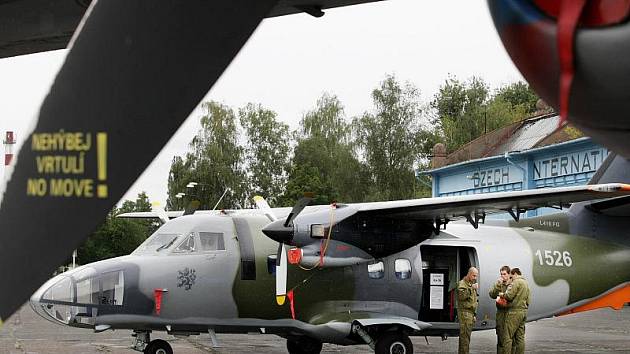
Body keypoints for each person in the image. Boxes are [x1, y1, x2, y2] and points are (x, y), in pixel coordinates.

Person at [501, 267, 531, 354]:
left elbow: (509, 296)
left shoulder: (516, 282)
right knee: (520, 338)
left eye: (511, 276)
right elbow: (528, 300)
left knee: (508, 337)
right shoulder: (526, 283)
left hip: (514, 312)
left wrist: (502, 295)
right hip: (523, 312)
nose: (511, 278)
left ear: (515, 274)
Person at [489, 265, 511, 353]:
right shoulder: (499, 284)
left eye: (505, 274)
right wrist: (497, 285)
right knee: (501, 338)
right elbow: (492, 294)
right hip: (501, 314)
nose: (503, 276)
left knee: (509, 339)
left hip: (510, 313)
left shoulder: (513, 284)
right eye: (501, 274)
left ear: (509, 274)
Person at [457, 267, 479, 354]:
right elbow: (461, 296)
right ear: (469, 274)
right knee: (465, 338)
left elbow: (473, 300)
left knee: (466, 337)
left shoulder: (470, 283)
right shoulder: (463, 283)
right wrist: (471, 288)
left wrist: (474, 314)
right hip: (465, 313)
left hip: (469, 313)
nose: (475, 278)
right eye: (474, 275)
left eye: (476, 276)